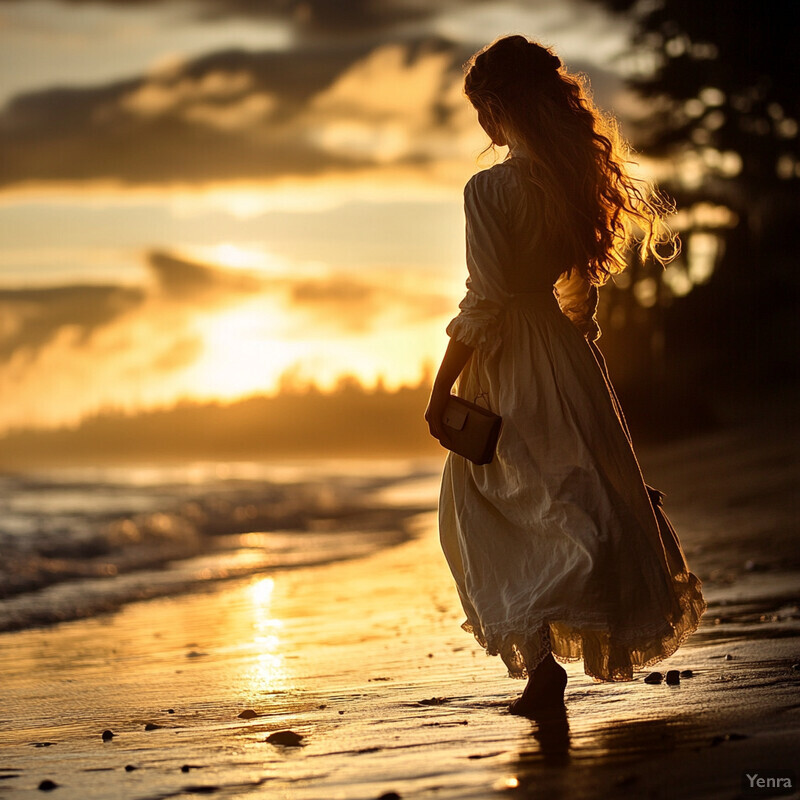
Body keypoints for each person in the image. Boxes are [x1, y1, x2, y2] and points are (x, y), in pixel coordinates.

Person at [425, 35, 706, 717]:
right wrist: (580, 352)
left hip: (509, 360)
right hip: (563, 353)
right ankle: (549, 659)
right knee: (568, 493)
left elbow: (485, 299)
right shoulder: (569, 177)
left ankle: (542, 670)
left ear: (497, 107)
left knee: (486, 507)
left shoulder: (488, 189)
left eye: (483, 112)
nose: (483, 130)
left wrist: (441, 387)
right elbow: (578, 291)